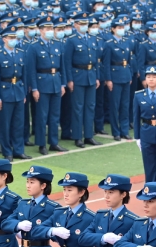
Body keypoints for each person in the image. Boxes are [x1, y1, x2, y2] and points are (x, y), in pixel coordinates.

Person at [26, 16, 69, 155]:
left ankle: (53, 142)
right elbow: (31, 69)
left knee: (54, 115)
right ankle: (41, 144)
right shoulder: (34, 47)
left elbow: (62, 66)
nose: (50, 31)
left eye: (51, 28)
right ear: (40, 30)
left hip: (56, 82)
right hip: (42, 83)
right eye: (47, 28)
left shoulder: (57, 44)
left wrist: (63, 83)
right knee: (41, 116)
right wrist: (34, 88)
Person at [0, 26, 29, 162]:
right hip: (5, 91)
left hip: (18, 90)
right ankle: (7, 151)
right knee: (5, 124)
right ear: (4, 39)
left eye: (15, 38)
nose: (14, 40)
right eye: (11, 38)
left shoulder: (20, 53)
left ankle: (18, 150)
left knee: (18, 123)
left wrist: (24, 93)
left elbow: (24, 75)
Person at [64, 13, 101, 149]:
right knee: (78, 108)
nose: (84, 26)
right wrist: (70, 80)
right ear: (75, 25)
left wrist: (96, 76)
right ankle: (78, 137)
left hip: (90, 75)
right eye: (81, 24)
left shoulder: (92, 39)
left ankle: (89, 135)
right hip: (78, 75)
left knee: (90, 107)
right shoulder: (71, 40)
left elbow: (95, 60)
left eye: (86, 24)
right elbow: (67, 62)